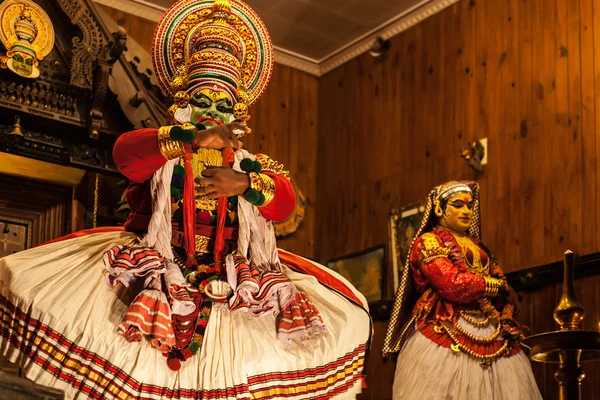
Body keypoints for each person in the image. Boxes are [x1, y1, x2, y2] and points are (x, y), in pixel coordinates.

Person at [0, 1, 370, 398]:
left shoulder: (253, 166)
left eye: (223, 106)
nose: (212, 112)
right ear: (183, 105)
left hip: (232, 282)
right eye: (202, 102)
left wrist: (243, 184)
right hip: (155, 268)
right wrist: (189, 139)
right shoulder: (164, 148)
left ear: (237, 116)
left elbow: (284, 204)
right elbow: (126, 155)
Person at [383, 181, 541, 399]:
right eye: (458, 205)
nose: (466, 211)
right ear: (439, 209)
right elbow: (452, 283)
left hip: (489, 325)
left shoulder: (477, 245)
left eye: (469, 206)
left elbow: (495, 272)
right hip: (444, 323)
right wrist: (498, 287)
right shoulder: (428, 241)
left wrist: (503, 293)